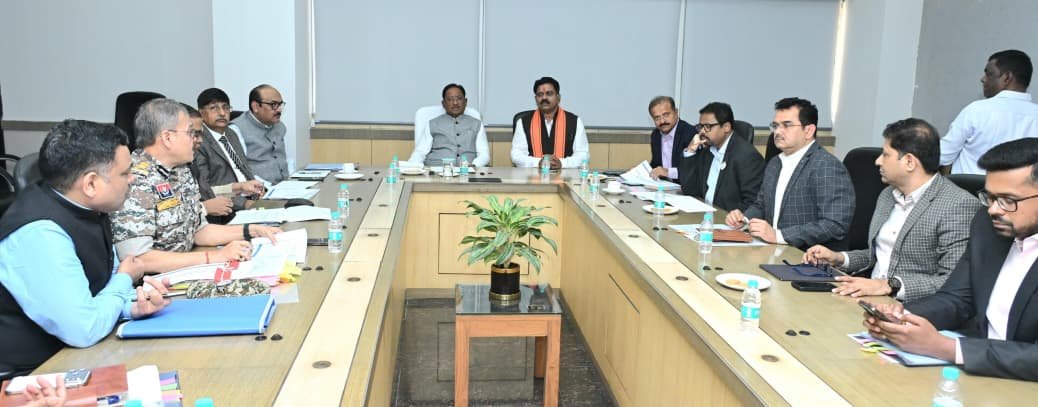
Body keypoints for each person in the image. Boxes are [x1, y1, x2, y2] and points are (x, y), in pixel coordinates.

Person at [0, 120, 170, 380]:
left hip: (76, 354)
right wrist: (125, 278)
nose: (133, 179)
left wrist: (132, 306)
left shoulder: (88, 207)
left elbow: (102, 289)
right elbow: (84, 329)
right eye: (125, 173)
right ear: (90, 184)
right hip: (32, 375)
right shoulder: (40, 232)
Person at [866, 137, 1038, 381]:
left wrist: (946, 348)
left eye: (1008, 200)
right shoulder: (988, 225)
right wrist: (902, 317)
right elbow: (957, 298)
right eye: (990, 197)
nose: (993, 209)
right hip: (976, 372)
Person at [804, 118, 980, 301]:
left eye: (886, 155)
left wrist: (889, 285)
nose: (878, 161)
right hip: (867, 296)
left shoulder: (957, 205)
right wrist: (838, 258)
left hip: (912, 307)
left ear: (909, 162)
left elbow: (952, 281)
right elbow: (879, 256)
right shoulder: (888, 195)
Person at [110, 98, 279, 274]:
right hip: (156, 283)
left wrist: (251, 230)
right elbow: (139, 259)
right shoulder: (134, 179)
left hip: (188, 267)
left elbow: (199, 230)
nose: (197, 140)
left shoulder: (181, 170)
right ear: (167, 138)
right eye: (191, 133)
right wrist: (215, 257)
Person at [725, 97, 854, 250]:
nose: (778, 131)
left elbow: (835, 224)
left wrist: (779, 236)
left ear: (808, 131)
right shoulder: (775, 163)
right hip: (771, 248)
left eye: (786, 125)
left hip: (805, 255)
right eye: (775, 125)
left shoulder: (826, 166)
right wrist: (744, 219)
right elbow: (761, 204)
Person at [940, 49, 1038, 174]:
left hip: (968, 186)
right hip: (1021, 187)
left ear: (1007, 77)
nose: (983, 79)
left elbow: (941, 156)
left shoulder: (977, 110)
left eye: (989, 74)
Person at [678, 101, 764, 212]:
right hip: (704, 216)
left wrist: (732, 218)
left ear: (726, 127)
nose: (702, 132)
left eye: (707, 126)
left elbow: (753, 203)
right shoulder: (707, 151)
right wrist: (690, 151)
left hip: (727, 220)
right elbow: (690, 190)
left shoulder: (747, 156)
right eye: (700, 126)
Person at [192, 88, 265, 216]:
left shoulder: (231, 133)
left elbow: (244, 170)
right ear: (201, 113)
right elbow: (205, 190)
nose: (222, 113)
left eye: (226, 108)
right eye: (214, 108)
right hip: (227, 209)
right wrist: (244, 203)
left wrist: (258, 191)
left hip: (251, 198)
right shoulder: (198, 142)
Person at [511, 77, 589, 169]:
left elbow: (583, 154)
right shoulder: (523, 122)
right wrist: (538, 162)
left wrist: (562, 163)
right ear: (536, 99)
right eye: (540, 94)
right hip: (533, 175)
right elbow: (516, 155)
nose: (544, 98)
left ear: (558, 97)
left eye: (549, 93)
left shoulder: (574, 121)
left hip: (566, 175)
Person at [408, 83, 490, 167]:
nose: (455, 103)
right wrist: (411, 167)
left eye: (459, 99)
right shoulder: (432, 124)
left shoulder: (476, 124)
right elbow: (420, 152)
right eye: (450, 99)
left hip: (467, 171)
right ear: (443, 103)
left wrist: (474, 165)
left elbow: (484, 154)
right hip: (436, 170)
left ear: (465, 102)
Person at [227, 84, 291, 184]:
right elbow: (238, 170)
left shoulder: (280, 126)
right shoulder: (236, 130)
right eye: (273, 105)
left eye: (280, 104)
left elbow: (283, 158)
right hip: (259, 189)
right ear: (256, 107)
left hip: (285, 186)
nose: (279, 110)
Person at [182, 103, 235, 221]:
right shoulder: (148, 174)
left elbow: (206, 192)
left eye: (200, 134)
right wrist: (204, 208)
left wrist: (236, 188)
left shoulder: (189, 163)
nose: (200, 140)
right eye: (194, 134)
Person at [646, 96, 696, 181]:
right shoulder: (656, 135)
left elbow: (694, 170)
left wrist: (667, 172)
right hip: (664, 186)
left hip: (684, 186)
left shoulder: (690, 133)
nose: (662, 121)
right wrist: (640, 171)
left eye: (666, 115)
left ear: (676, 112)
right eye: (657, 118)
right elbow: (656, 165)